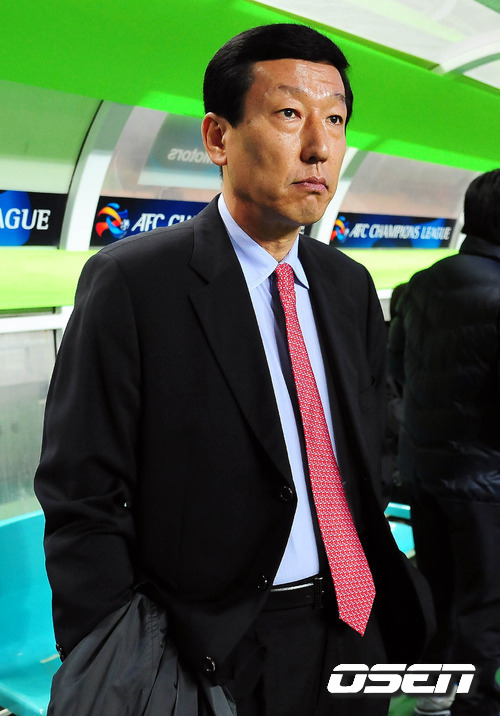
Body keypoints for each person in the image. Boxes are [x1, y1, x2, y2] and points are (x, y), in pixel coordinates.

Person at [35, 23, 433, 716]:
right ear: (218, 137)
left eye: (336, 120)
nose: (320, 147)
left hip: (352, 622)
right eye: (290, 114)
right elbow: (81, 488)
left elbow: (364, 444)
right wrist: (113, 644)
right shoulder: (136, 283)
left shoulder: (348, 285)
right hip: (214, 643)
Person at [388, 169, 500, 716]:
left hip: (424, 470)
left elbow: (397, 375)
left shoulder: (421, 283)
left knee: (439, 588)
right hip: (486, 481)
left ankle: (433, 691)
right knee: (486, 602)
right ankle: (474, 704)